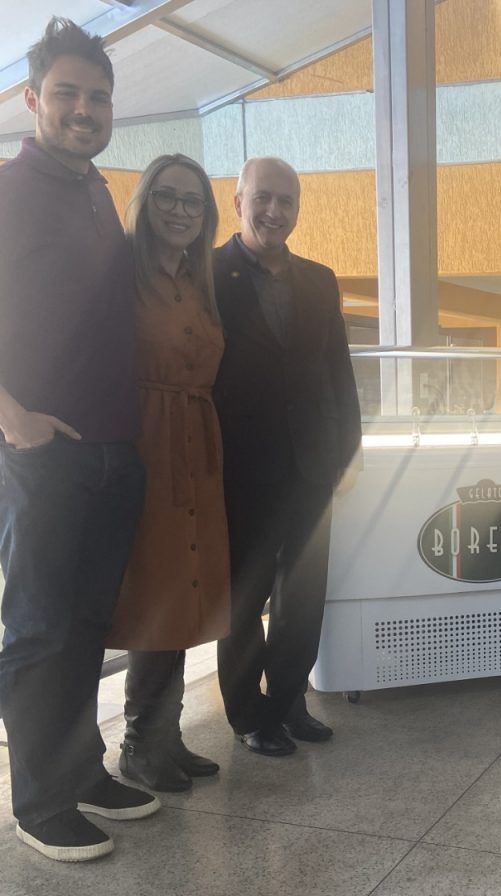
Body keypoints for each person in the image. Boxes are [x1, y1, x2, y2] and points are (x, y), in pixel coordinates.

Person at [0, 18, 159, 862]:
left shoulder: (98, 193)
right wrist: (10, 415)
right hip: (40, 454)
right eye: (66, 93)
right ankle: (38, 800)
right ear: (33, 99)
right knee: (38, 629)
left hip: (112, 449)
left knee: (90, 624)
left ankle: (81, 770)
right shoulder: (7, 188)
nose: (84, 109)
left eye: (98, 97)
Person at [213, 157, 362, 756]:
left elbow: (337, 371)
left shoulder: (320, 279)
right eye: (263, 198)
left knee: (303, 595)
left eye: (287, 201)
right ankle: (248, 714)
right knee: (243, 598)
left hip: (311, 463)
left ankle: (289, 701)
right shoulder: (207, 273)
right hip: (238, 466)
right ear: (238, 202)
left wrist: (349, 451)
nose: (274, 211)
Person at [105, 154, 229, 792]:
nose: (180, 211)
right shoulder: (119, 271)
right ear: (145, 202)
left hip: (195, 446)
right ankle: (138, 743)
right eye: (168, 197)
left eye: (193, 201)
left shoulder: (200, 280)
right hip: (146, 444)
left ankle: (166, 735)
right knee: (155, 590)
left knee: (186, 587)